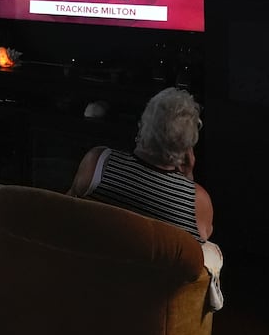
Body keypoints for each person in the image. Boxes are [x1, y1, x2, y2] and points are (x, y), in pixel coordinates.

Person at [69, 86, 213, 241]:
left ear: (143, 124)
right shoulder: (198, 200)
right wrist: (187, 179)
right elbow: (197, 246)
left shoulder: (97, 162)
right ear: (188, 145)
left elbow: (64, 212)